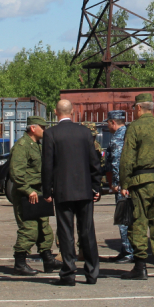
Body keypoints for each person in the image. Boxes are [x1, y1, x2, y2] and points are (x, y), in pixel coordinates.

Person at [42, 99, 103, 287]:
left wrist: (47, 190)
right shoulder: (85, 133)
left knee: (66, 232)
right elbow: (95, 162)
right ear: (73, 112)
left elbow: (47, 165)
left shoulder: (51, 134)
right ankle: (92, 273)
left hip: (63, 190)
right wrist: (96, 187)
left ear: (55, 112)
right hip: (84, 190)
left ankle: (68, 273)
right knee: (87, 231)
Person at [119, 93, 154, 281]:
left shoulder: (135, 128)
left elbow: (127, 158)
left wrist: (124, 183)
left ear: (138, 108)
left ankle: (140, 267)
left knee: (139, 222)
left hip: (141, 182)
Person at [9, 116, 61, 276]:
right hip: (27, 194)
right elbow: (16, 172)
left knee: (44, 229)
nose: (45, 131)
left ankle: (48, 259)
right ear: (33, 128)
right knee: (29, 229)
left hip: (39, 192)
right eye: (42, 128)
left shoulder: (37, 145)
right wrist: (27, 190)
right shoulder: (22, 146)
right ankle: (19, 262)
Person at [105, 111, 133, 264]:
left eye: (108, 123)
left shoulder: (117, 139)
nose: (107, 125)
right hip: (131, 183)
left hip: (123, 185)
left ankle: (129, 251)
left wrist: (116, 184)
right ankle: (125, 249)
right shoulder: (129, 134)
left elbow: (116, 163)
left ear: (113, 123)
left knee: (124, 218)